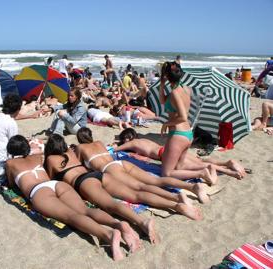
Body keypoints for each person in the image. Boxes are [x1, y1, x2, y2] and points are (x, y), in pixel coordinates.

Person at [6, 135, 140, 261]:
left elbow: (11, 183)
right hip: (58, 185)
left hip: (39, 190)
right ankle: (117, 224)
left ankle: (108, 235)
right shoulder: (36, 158)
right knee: (85, 210)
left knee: (71, 216)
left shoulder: (10, 163)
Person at [44, 134, 158, 244]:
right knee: (134, 194)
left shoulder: (50, 159)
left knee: (110, 204)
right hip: (98, 174)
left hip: (84, 181)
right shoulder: (70, 152)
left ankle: (141, 222)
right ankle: (158, 211)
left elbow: (50, 178)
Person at [75, 127, 209, 210]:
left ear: (79, 139)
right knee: (155, 180)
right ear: (91, 135)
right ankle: (192, 188)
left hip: (110, 169)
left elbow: (79, 165)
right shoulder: (99, 143)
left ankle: (176, 197)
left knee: (140, 187)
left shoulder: (80, 148)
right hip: (120, 163)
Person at [159, 62, 218, 184]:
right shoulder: (186, 89)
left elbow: (183, 116)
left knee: (166, 173)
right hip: (188, 134)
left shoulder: (175, 93)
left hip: (178, 134)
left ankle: (201, 173)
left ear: (166, 75)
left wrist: (166, 124)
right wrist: (162, 84)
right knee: (179, 168)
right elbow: (163, 100)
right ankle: (207, 167)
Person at [116, 128, 246, 180]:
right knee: (199, 162)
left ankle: (230, 172)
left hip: (165, 154)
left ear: (127, 138)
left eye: (124, 139)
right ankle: (227, 163)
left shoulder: (132, 143)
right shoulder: (143, 139)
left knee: (196, 166)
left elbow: (118, 149)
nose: (124, 142)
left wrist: (115, 146)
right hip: (168, 148)